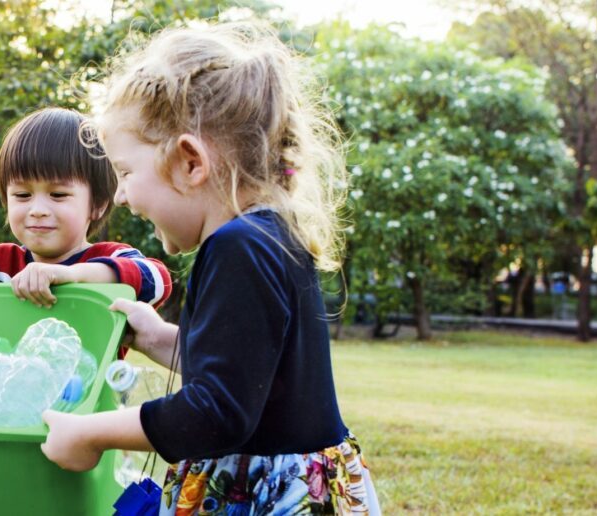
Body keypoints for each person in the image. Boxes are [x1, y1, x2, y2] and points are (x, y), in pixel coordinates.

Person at [40, 24, 381, 514]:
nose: (122, 197)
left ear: (190, 162)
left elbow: (216, 414)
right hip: (302, 486)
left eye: (127, 173)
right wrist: (160, 338)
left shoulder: (236, 247)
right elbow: (249, 376)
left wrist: (92, 432)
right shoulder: (269, 234)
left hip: (265, 496)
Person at [0, 107, 172, 310]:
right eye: (23, 195)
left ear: (98, 205)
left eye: (58, 194)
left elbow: (157, 280)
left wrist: (71, 276)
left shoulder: (108, 258)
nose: (37, 209)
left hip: (91, 389)